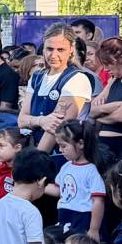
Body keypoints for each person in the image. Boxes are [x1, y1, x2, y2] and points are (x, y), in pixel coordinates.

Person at [18, 23, 92, 153]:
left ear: (71, 50)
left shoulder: (77, 78)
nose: (53, 55)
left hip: (61, 155)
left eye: (60, 50)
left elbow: (56, 126)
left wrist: (37, 159)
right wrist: (41, 121)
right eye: (49, 49)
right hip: (33, 148)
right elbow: (21, 119)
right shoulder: (37, 77)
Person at [45, 120, 105, 239]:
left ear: (81, 143)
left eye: (64, 146)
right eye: (59, 146)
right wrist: (38, 185)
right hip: (64, 214)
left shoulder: (90, 170)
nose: (61, 150)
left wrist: (94, 229)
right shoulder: (66, 166)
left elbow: (98, 201)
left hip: (82, 217)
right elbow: (58, 190)